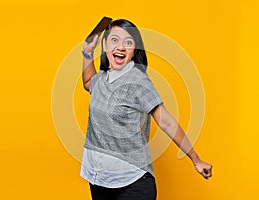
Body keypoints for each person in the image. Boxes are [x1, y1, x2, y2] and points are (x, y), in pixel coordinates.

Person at [80, 19, 212, 200]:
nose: (120, 47)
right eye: (114, 40)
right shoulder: (102, 78)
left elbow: (166, 121)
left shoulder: (138, 81)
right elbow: (88, 83)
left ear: (134, 50)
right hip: (99, 178)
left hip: (131, 182)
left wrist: (195, 159)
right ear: (104, 46)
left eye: (128, 42)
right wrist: (87, 53)